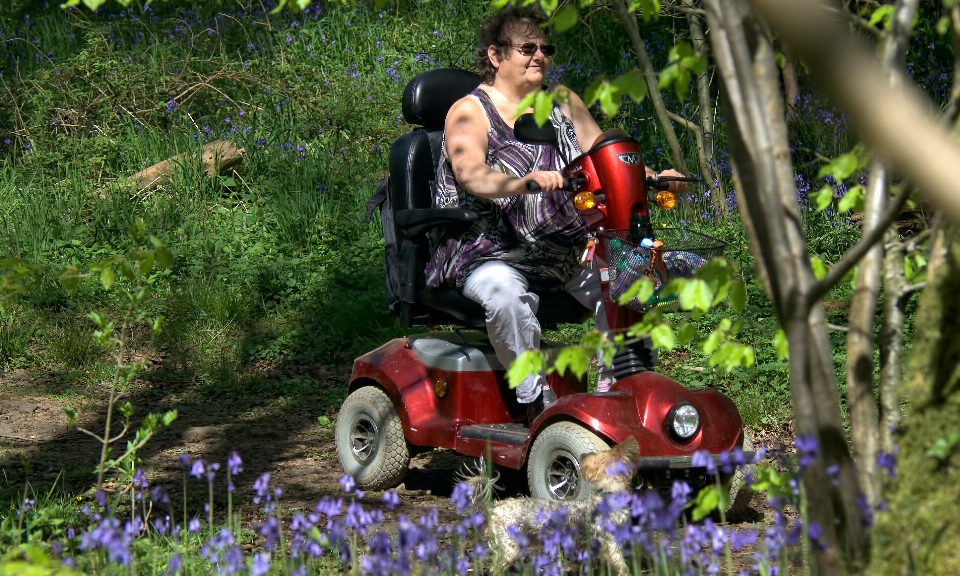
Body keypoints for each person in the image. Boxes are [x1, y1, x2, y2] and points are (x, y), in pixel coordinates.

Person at [424, 5, 686, 424]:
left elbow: (606, 160)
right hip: (489, 249)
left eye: (546, 48)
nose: (539, 56)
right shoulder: (470, 111)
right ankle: (537, 403)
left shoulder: (562, 102)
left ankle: (618, 391)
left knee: (633, 274)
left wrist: (653, 178)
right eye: (527, 47)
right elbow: (470, 173)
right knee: (506, 294)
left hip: (563, 248)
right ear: (495, 56)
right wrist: (523, 181)